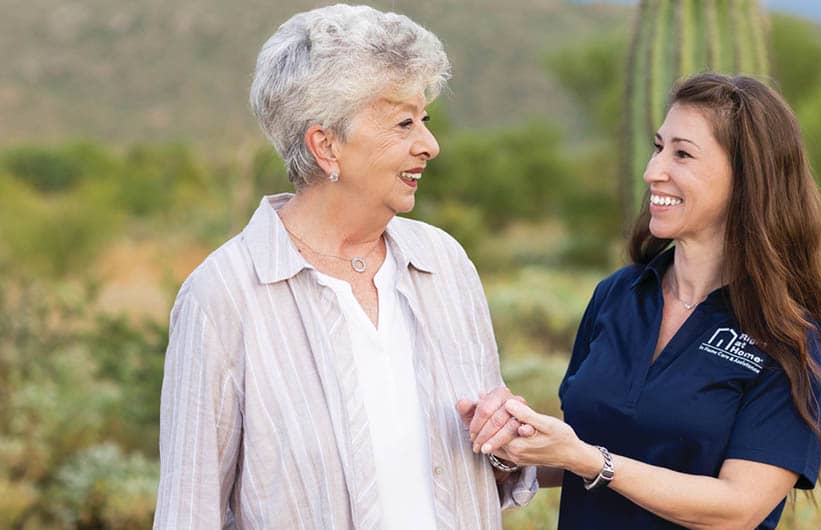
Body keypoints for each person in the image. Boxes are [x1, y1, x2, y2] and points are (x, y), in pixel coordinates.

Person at [153, 5, 535, 529]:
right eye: (404, 123)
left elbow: (483, 472)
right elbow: (188, 513)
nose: (429, 144)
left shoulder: (444, 263)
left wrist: (501, 442)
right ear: (325, 146)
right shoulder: (222, 295)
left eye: (425, 119)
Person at [463, 73, 821, 529]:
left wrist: (591, 460)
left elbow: (737, 508)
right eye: (658, 147)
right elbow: (587, 450)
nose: (654, 171)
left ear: (748, 178)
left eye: (683, 154)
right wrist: (516, 447)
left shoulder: (790, 343)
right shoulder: (617, 295)